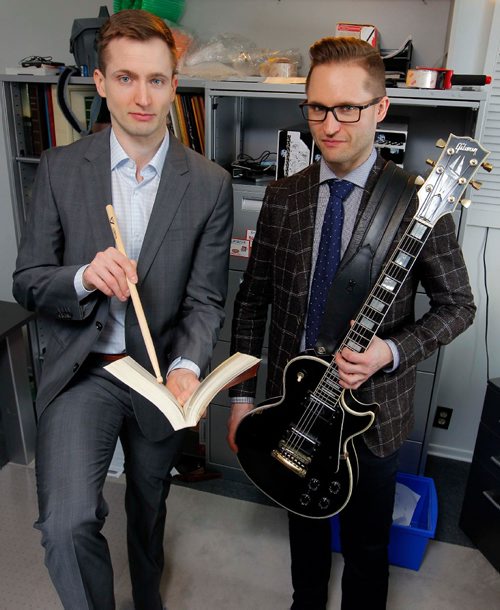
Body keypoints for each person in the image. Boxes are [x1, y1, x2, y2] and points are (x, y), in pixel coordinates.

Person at [227, 36, 475, 610]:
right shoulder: (284, 197)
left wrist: (390, 350)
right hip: (291, 403)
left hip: (374, 414)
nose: (330, 124)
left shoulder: (419, 203)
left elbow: (458, 305)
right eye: (317, 107)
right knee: (302, 528)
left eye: (348, 108)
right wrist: (242, 398)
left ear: (380, 108)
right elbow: (252, 299)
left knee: (368, 544)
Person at [13, 9, 232, 610]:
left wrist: (188, 364)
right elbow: (28, 282)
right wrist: (83, 277)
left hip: (160, 374)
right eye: (126, 78)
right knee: (65, 523)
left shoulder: (209, 183)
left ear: (173, 86)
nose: (142, 96)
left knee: (149, 502)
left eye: (156, 80)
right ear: (101, 82)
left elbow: (205, 298)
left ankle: (148, 594)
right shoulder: (59, 171)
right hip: (86, 371)